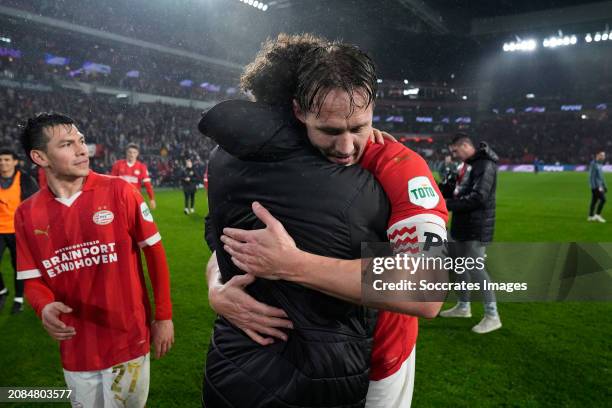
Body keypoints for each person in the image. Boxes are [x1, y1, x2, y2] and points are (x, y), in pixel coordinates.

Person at [201, 34, 447, 408]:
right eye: (330, 130)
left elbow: (427, 288)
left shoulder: (401, 167)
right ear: (297, 111)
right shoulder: (279, 164)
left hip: (382, 357)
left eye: (359, 128)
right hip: (295, 365)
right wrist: (218, 286)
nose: (347, 147)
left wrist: (294, 265)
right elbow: (229, 238)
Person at [16, 113, 174, 407]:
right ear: (39, 157)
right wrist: (43, 306)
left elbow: (155, 254)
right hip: (76, 346)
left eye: (82, 141)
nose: (81, 150)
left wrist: (163, 316)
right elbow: (33, 280)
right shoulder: (27, 214)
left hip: (127, 339)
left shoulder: (120, 191)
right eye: (66, 144)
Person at [439, 134, 502, 334]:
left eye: (456, 151)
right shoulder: (467, 165)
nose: (454, 155)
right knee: (457, 265)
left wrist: (445, 204)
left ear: (465, 145)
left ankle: (493, 316)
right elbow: (457, 191)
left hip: (477, 226)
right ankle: (463, 306)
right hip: (461, 224)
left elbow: (479, 198)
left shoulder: (485, 165)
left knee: (476, 269)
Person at [0, 148, 38, 314]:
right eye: (0, 160)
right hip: (0, 230)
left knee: (19, 267)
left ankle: (18, 299)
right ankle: (2, 291)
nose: (3, 163)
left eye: (7, 160)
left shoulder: (25, 179)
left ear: (15, 162)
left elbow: (35, 205)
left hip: (17, 231)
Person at [111, 143, 156, 210]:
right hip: (119, 198)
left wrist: (152, 199)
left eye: (134, 152)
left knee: (133, 219)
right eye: (130, 152)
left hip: (134, 198)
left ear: (137, 154)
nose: (132, 154)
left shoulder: (142, 167)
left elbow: (147, 184)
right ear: (126, 153)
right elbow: (111, 182)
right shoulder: (118, 164)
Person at [588, 151, 607, 223]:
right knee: (603, 200)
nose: (604, 157)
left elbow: (601, 177)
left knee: (594, 201)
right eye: (602, 155)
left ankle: (590, 216)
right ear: (598, 155)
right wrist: (593, 187)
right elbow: (591, 176)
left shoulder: (600, 164)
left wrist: (604, 185)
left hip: (600, 186)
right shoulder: (594, 164)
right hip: (596, 186)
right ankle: (597, 215)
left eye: (604, 155)